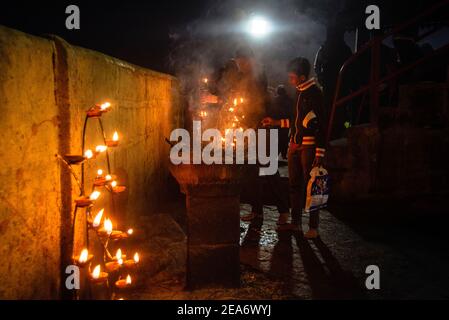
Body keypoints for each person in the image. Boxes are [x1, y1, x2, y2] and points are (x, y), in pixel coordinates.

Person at [201, 46, 290, 228]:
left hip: (263, 129)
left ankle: (284, 211)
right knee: (251, 172)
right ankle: (257, 211)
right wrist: (217, 97)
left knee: (269, 170)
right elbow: (232, 92)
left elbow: (253, 100)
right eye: (238, 62)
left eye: (241, 62)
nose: (239, 65)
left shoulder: (257, 76)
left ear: (248, 60)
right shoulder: (243, 76)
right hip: (248, 130)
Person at [263, 57, 326, 239]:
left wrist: (320, 152)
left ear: (302, 76)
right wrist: (275, 122)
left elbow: (321, 125)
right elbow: (294, 122)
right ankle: (296, 224)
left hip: (308, 147)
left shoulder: (315, 93)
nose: (290, 80)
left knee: (312, 185)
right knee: (294, 186)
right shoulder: (298, 93)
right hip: (294, 145)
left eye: (292, 77)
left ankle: (313, 227)